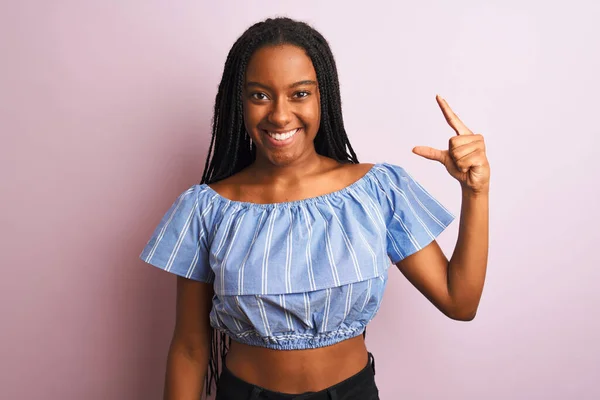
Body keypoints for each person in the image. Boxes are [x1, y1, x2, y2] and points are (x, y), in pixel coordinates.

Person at [139, 16, 490, 400]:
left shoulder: (376, 190)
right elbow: (190, 349)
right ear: (239, 103)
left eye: (300, 94)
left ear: (324, 96)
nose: (280, 115)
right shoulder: (207, 210)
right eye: (260, 95)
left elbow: (460, 301)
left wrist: (476, 191)